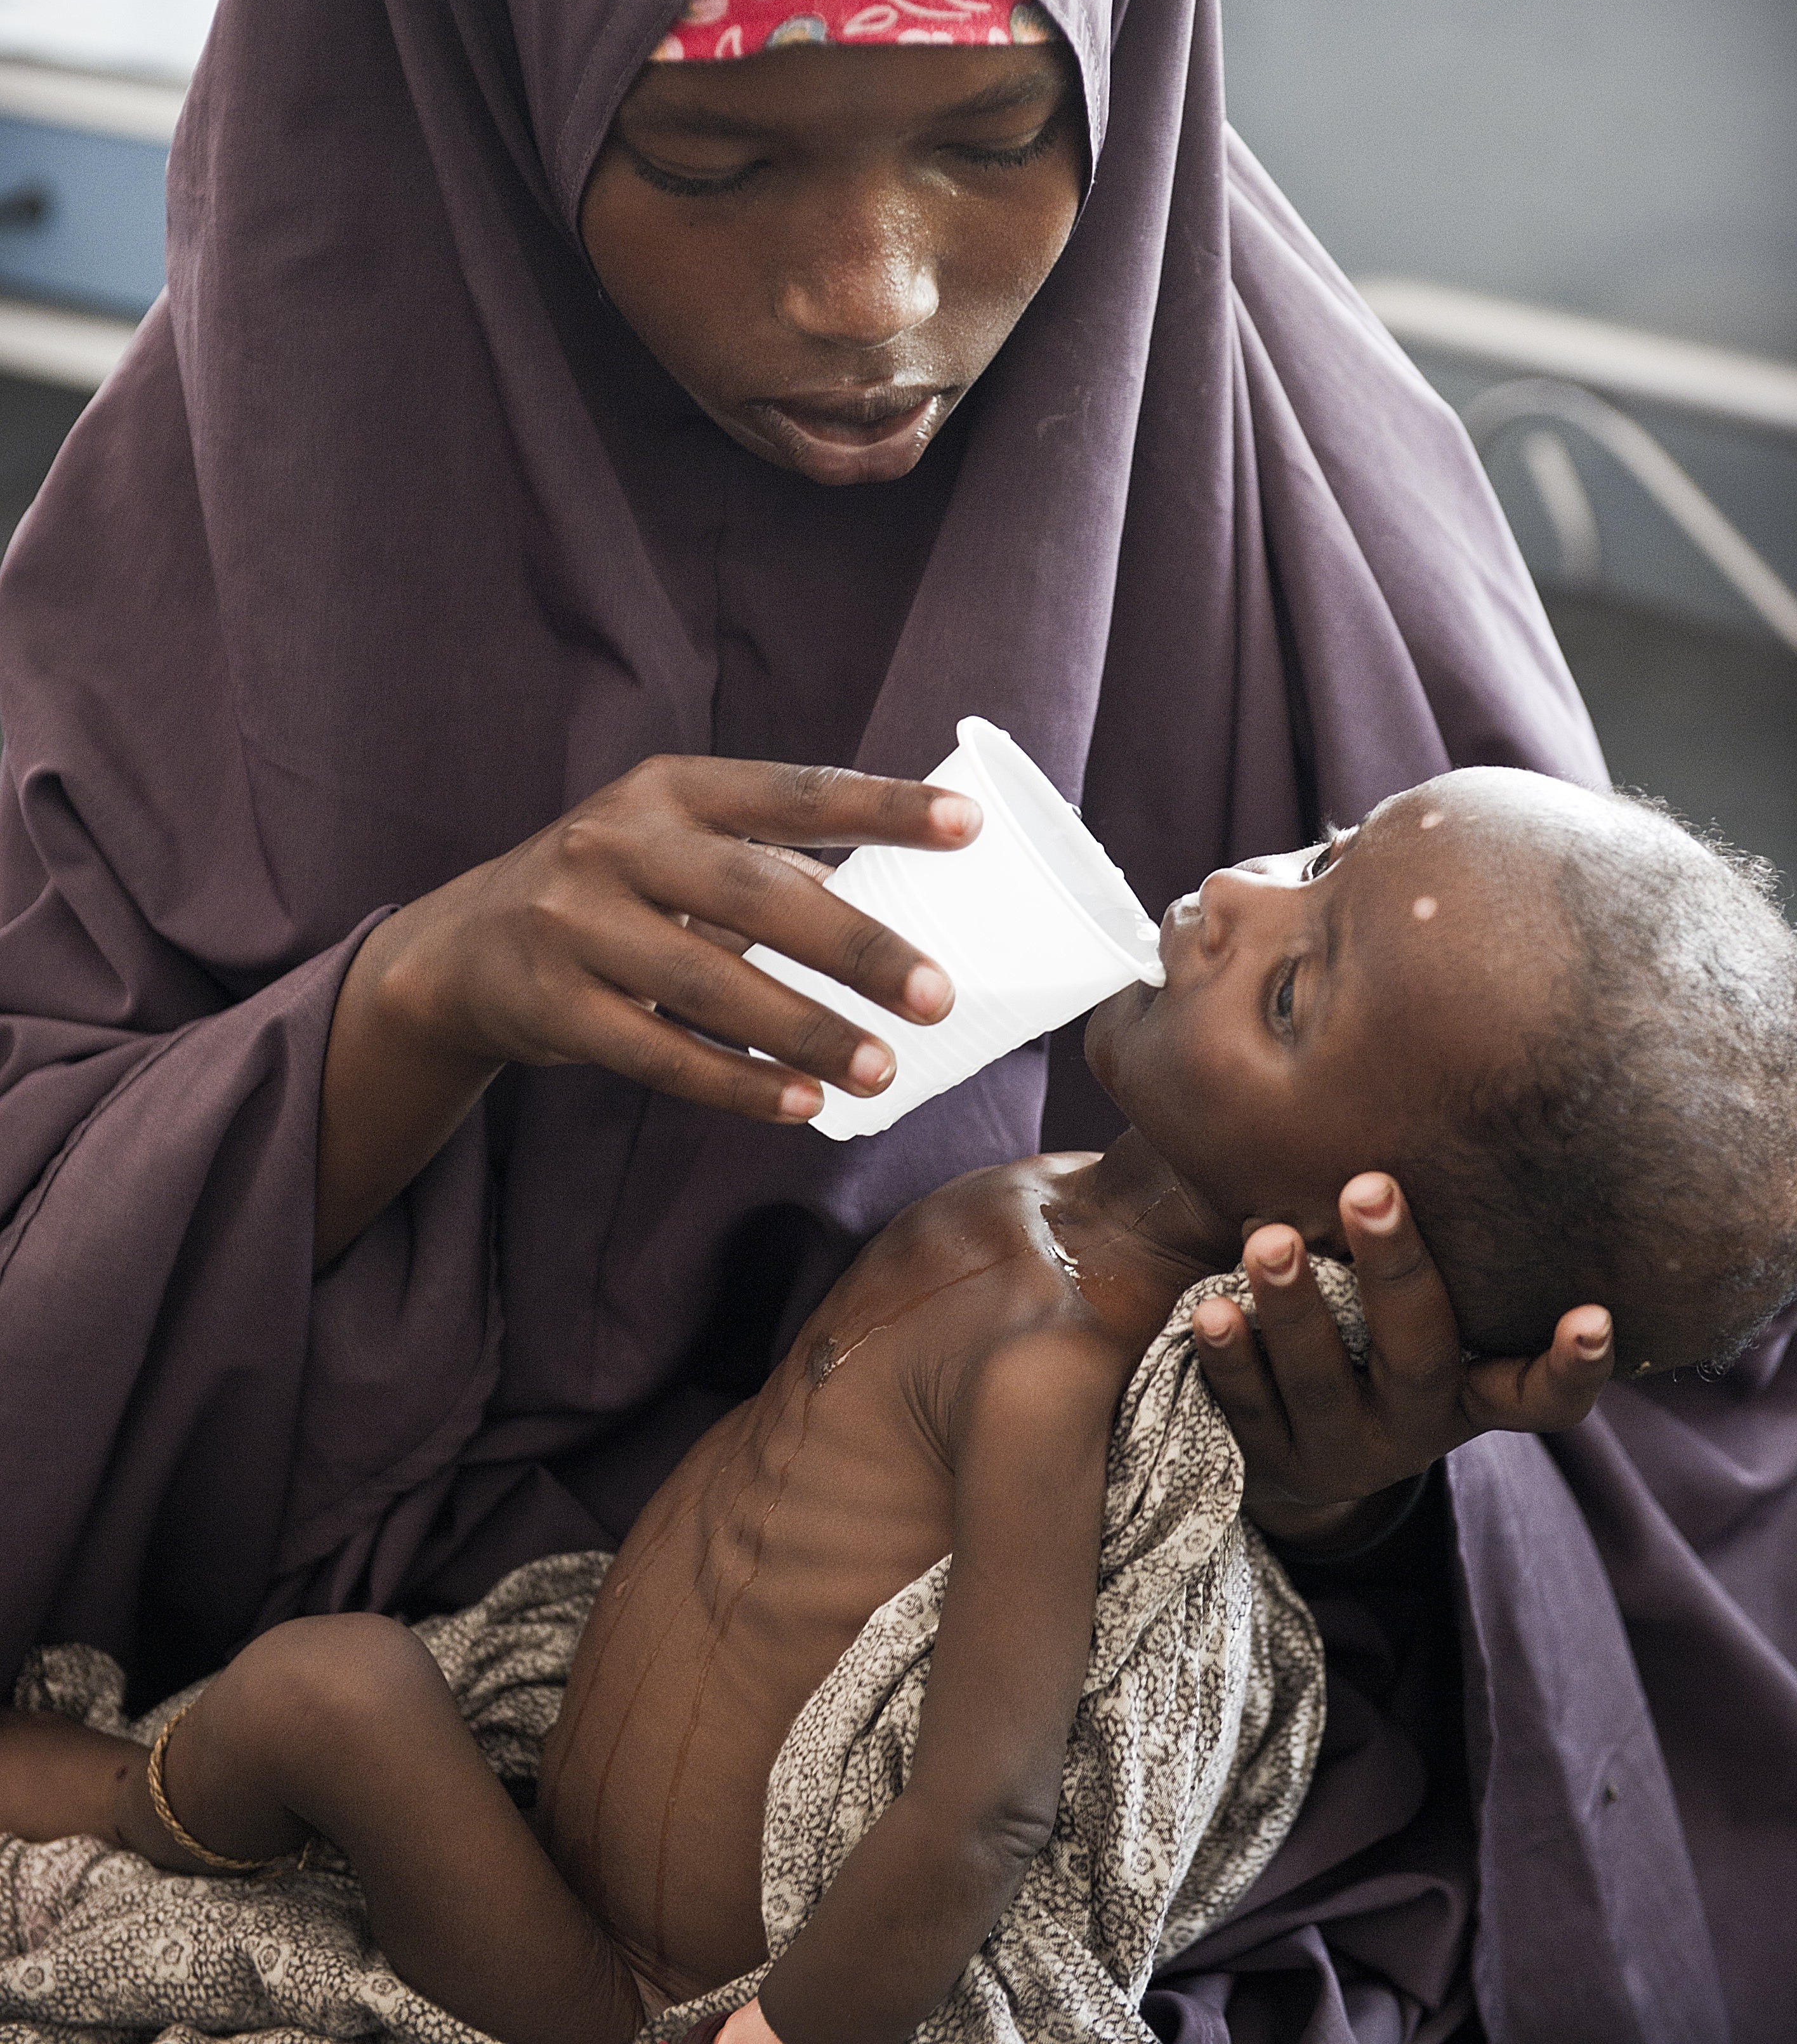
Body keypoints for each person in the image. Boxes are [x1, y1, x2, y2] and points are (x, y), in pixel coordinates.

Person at [0, 0, 1789, 2040]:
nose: (877, 300)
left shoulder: (1314, 549)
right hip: (385, 1660)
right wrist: (411, 1003)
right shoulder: (217, 539)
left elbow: (1683, 1350)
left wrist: (1326, 1491)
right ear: (485, 57)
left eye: (998, 136)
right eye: (719, 161)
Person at [4, 767, 1793, 2044]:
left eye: (1297, 988)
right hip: (572, 1809)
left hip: (625, 1994)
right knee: (390, 1676)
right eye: (1319, 854)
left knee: (338, 1687)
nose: (1236, 900)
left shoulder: (1053, 1378)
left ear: (1349, 1225)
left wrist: (784, 2034)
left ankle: (140, 1806)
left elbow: (981, 1814)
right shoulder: (1046, 1204)